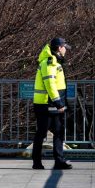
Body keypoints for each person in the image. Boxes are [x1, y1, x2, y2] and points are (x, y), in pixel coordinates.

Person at [31, 36, 72, 170]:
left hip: (51, 103)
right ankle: (37, 162)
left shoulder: (54, 61)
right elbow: (50, 84)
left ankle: (59, 161)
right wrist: (58, 103)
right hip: (46, 104)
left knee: (59, 131)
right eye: (65, 47)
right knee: (42, 133)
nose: (66, 50)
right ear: (60, 48)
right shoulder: (49, 62)